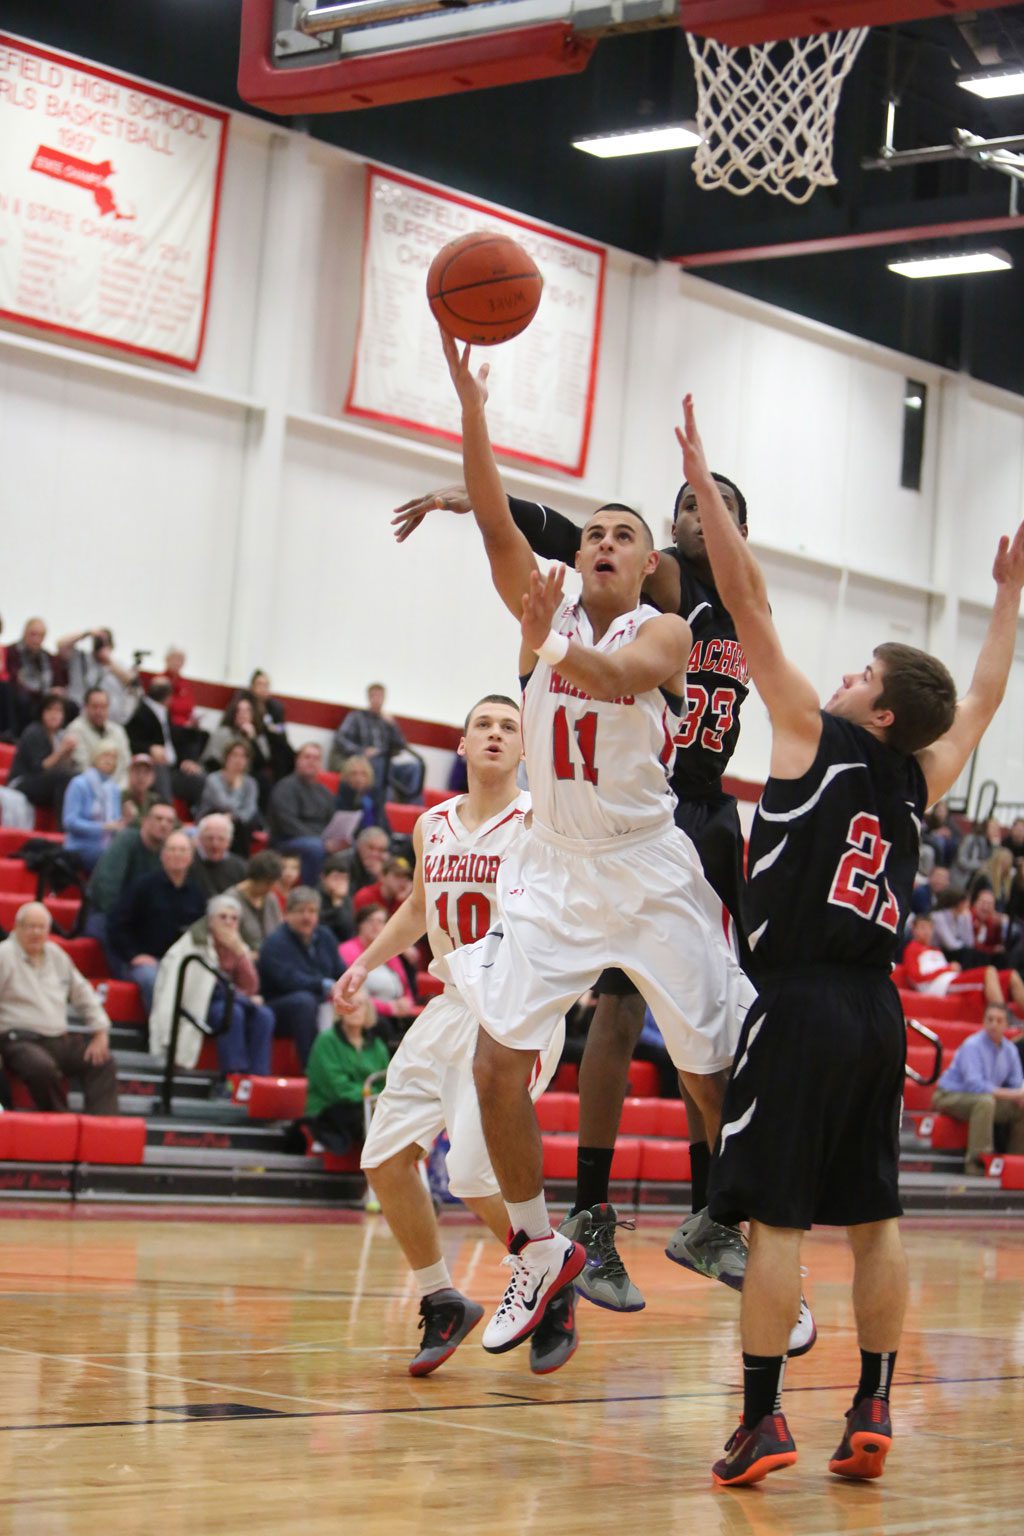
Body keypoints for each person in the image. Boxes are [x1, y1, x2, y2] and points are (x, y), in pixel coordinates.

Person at [676, 392, 1024, 1485]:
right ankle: (872, 1403)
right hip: (880, 1012)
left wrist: (704, 494)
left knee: (777, 1222)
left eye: (861, 675)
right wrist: (1009, 600)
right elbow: (982, 698)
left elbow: (745, 600)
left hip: (800, 1001)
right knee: (875, 1218)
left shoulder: (808, 735)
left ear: (876, 712)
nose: (842, 677)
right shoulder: (919, 777)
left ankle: (763, 1420)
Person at [427, 334, 753, 1361]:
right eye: (594, 533)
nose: (605, 543)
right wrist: (473, 412)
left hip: (650, 867)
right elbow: (495, 519)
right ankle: (539, 1248)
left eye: (623, 535)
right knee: (495, 1063)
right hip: (555, 868)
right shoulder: (548, 602)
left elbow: (613, 680)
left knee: (709, 1072)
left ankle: (738, 1227)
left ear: (650, 563)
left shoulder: (665, 632)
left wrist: (546, 642)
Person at [335, 693, 571, 1375]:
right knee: (384, 1157)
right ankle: (442, 1298)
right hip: (448, 1005)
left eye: (509, 727)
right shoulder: (431, 824)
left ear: (525, 748)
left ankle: (549, 1276)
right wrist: (365, 964)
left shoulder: (542, 821)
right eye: (483, 725)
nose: (495, 734)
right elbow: (418, 906)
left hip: (512, 1009)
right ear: (462, 745)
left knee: (469, 1173)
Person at [0, 902, 118, 1113]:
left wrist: (100, 1031)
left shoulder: (57, 955)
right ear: (17, 927)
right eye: (30, 926)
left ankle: (101, 1125)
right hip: (18, 1040)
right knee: (40, 1067)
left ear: (48, 930)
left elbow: (83, 992)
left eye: (41, 927)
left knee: (102, 1061)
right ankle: (60, 1121)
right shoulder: (4, 954)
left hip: (57, 1039)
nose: (36, 932)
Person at [107, 830, 206, 1014]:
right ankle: (161, 1028)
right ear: (163, 855)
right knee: (153, 980)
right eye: (172, 849)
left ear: (191, 858)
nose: (177, 855)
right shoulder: (143, 886)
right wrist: (134, 955)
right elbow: (117, 925)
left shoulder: (197, 893)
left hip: (181, 961)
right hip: (146, 961)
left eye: (183, 850)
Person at [931, 1001, 1024, 1173]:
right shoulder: (972, 1045)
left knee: (1019, 1106)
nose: (993, 1024)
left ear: (1006, 1024)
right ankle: (977, 1163)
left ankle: (1016, 1164)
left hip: (983, 1097)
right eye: (990, 1019)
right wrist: (1014, 1095)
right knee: (985, 1102)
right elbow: (975, 1085)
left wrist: (1019, 1096)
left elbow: (1017, 1083)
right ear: (983, 1021)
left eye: (999, 1020)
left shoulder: (1010, 1049)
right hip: (949, 1095)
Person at [258, 886, 342, 1068]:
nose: (307, 917)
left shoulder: (325, 936)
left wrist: (348, 987)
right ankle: (311, 1067)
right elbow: (288, 980)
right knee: (304, 1002)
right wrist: (324, 985)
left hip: (320, 1000)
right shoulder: (274, 943)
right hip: (281, 1007)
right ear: (286, 914)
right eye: (300, 911)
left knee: (360, 1001)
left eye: (312, 911)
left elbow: (340, 969)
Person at [84, 801, 178, 956]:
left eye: (169, 821)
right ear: (145, 821)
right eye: (158, 818)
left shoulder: (167, 853)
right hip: (104, 914)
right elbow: (106, 890)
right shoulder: (126, 840)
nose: (163, 824)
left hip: (140, 920)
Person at [305, 994, 390, 1153]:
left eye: (360, 1004)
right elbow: (336, 1087)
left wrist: (376, 1099)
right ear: (340, 1009)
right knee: (371, 1118)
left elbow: (386, 1083)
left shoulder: (377, 1046)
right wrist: (370, 1097)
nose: (355, 1009)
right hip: (329, 1109)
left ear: (368, 1011)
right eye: (349, 1003)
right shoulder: (326, 1041)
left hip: (366, 1107)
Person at [901, 913, 1024, 1010]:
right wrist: (948, 968)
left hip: (952, 979)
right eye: (922, 927)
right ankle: (1002, 1020)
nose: (927, 931)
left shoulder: (936, 950)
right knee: (988, 971)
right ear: (914, 929)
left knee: (1011, 975)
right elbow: (916, 978)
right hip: (938, 986)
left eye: (929, 928)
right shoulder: (912, 948)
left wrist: (949, 969)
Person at [339, 905, 421, 1036]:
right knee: (382, 1026)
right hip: (369, 1011)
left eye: (381, 922)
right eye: (370, 921)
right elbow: (352, 994)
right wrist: (389, 1008)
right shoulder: (347, 950)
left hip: (397, 1011)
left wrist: (407, 1001)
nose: (375, 926)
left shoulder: (389, 951)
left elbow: (405, 986)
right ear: (360, 924)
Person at [331, 683, 421, 801]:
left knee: (415, 767)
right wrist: (362, 751)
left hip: (386, 763)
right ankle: (380, 802)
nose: (377, 700)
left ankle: (414, 807)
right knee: (379, 762)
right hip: (364, 761)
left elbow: (401, 745)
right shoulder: (356, 716)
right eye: (374, 696)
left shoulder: (386, 721)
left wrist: (393, 725)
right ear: (369, 697)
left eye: (380, 696)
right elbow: (340, 738)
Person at [126, 678, 206, 809]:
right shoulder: (140, 712)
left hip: (173, 767)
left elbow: (170, 737)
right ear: (169, 696)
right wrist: (149, 748)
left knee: (199, 779)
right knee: (160, 769)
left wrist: (186, 759)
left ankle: (199, 814)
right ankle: (165, 811)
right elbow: (129, 741)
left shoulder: (165, 712)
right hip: (152, 767)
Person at [266, 742, 334, 886]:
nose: (311, 761)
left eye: (316, 758)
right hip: (287, 841)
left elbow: (331, 822)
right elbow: (287, 823)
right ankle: (310, 891)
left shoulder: (325, 793)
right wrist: (321, 840)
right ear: (297, 760)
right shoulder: (285, 787)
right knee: (315, 847)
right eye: (307, 757)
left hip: (319, 840)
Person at [8, 692, 77, 818]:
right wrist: (61, 751)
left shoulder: (59, 735)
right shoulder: (34, 732)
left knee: (76, 777)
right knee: (63, 777)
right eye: (49, 709)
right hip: (22, 781)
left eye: (58, 711)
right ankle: (63, 826)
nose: (54, 715)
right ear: (42, 712)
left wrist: (68, 754)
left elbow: (64, 769)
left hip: (45, 783)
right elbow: (40, 768)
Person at [204, 693, 274, 805]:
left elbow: (261, 765)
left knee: (263, 780)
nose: (242, 714)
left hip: (247, 778)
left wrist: (252, 740)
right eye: (239, 711)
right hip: (222, 775)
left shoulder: (258, 737)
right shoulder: (223, 732)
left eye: (247, 711)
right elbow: (211, 760)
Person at [61, 746, 123, 870]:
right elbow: (70, 822)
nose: (109, 760)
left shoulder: (114, 789)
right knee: (114, 860)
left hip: (106, 846)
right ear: (95, 757)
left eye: (113, 757)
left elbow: (116, 823)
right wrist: (102, 827)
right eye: (105, 755)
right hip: (80, 846)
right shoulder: (79, 784)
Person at [62, 628, 138, 724]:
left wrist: (108, 661)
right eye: (99, 641)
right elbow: (61, 644)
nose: (101, 645)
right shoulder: (81, 658)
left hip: (108, 721)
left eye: (105, 642)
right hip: (77, 716)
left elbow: (132, 682)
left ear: (111, 645)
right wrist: (87, 633)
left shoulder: (118, 666)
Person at [198, 741, 262, 856]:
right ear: (226, 757)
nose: (238, 760)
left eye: (243, 756)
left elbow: (249, 811)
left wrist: (234, 816)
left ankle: (240, 862)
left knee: (243, 825)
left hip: (238, 823)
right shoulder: (214, 779)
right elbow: (224, 804)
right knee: (232, 825)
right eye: (235, 755)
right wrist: (236, 788)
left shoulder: (251, 783)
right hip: (212, 817)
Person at [5, 619, 68, 732]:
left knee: (69, 705)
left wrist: (57, 690)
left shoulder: (48, 657)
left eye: (40, 636)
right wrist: (43, 692)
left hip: (45, 696)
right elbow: (16, 680)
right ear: (25, 633)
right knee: (23, 700)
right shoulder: (11, 652)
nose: (36, 639)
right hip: (22, 696)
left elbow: (58, 681)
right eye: (33, 634)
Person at [65, 687, 131, 786]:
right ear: (85, 707)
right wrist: (104, 789)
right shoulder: (75, 729)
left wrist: (117, 789)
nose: (99, 711)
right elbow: (82, 767)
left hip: (119, 788)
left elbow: (126, 766)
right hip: (89, 788)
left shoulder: (118, 731)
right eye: (95, 706)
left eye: (103, 707)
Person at [227, 850, 284, 950]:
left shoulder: (270, 898)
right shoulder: (230, 901)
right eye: (267, 883)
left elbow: (280, 930)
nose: (271, 888)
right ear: (254, 878)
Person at [190, 813, 247, 900]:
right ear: (200, 839)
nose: (215, 844)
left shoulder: (240, 867)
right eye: (210, 838)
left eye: (221, 839)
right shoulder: (188, 863)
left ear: (229, 842)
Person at [336, 826, 390, 899]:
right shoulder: (341, 862)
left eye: (381, 850)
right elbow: (348, 898)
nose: (375, 854)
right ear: (359, 845)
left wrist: (380, 875)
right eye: (371, 848)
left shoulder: (386, 865)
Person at [318, 854, 356, 945]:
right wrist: (337, 906)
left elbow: (348, 931)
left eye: (344, 878)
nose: (340, 883)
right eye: (336, 878)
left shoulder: (346, 898)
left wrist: (338, 901)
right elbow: (320, 926)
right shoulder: (315, 896)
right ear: (323, 878)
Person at [121, 754, 159, 824]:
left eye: (146, 772)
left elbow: (176, 824)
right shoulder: (119, 797)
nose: (141, 777)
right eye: (137, 771)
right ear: (129, 774)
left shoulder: (156, 800)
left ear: (153, 777)